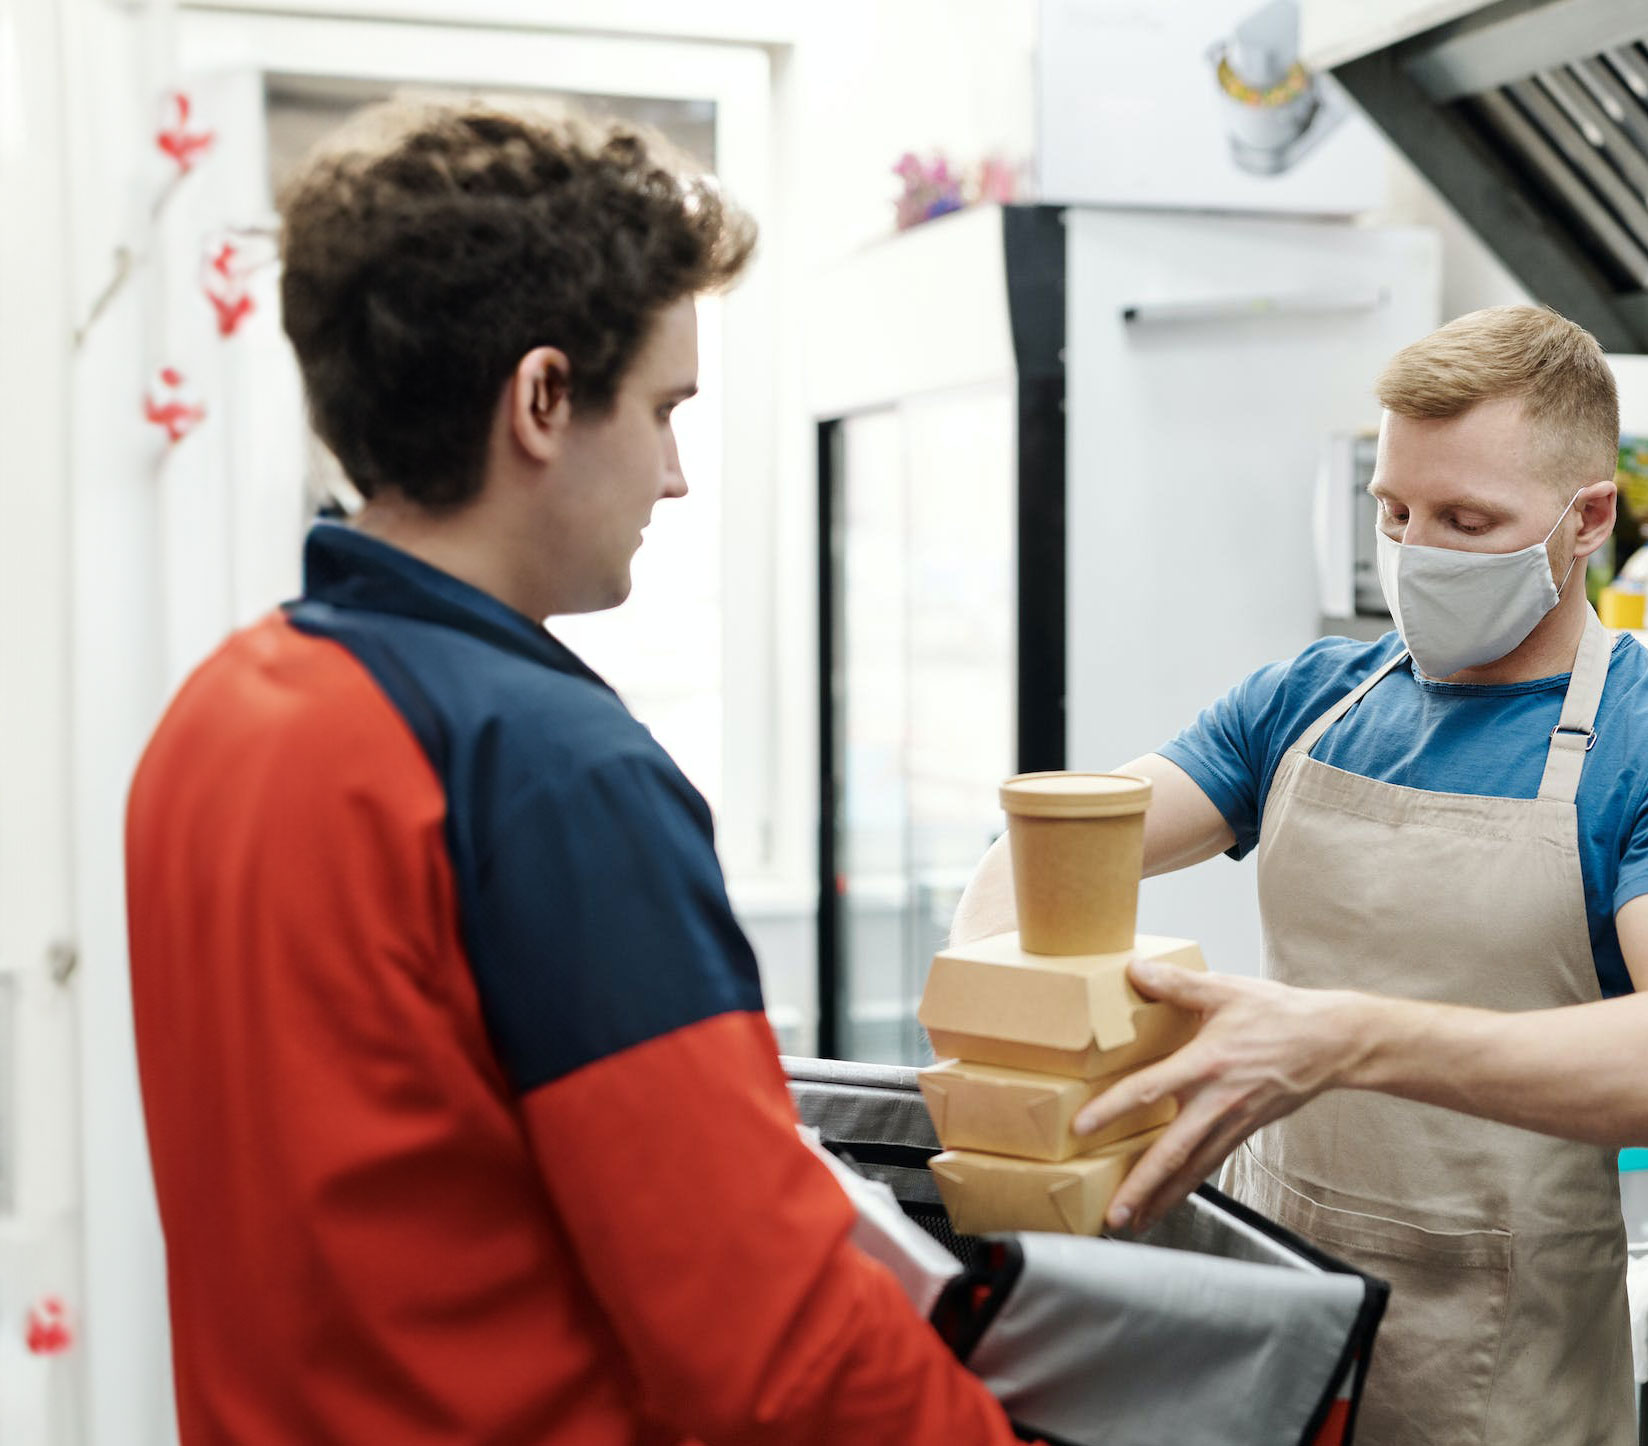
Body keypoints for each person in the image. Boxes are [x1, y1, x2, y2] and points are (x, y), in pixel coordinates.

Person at [126, 103, 1019, 1445]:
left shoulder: (218, 711)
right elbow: (767, 1346)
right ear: (542, 398)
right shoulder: (542, 766)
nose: (670, 476)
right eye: (663, 409)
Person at [950, 305, 1648, 1445]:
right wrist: (1005, 1079)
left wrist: (1341, 1037)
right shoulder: (1306, 702)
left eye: (1466, 520)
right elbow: (1050, 854)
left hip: (1500, 1377)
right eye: (1394, 511)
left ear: (1588, 518)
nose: (1415, 550)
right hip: (1273, 1333)